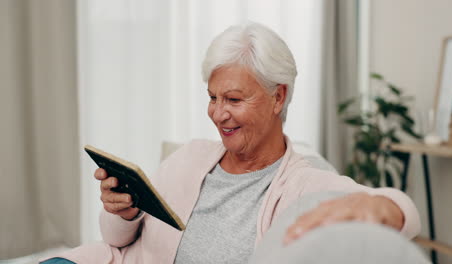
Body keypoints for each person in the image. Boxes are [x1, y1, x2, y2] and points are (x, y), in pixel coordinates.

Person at [40, 22, 426, 264]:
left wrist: (382, 206)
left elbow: (401, 212)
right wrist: (122, 213)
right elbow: (117, 241)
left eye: (234, 100)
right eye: (213, 97)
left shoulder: (302, 182)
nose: (218, 113)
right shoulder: (191, 156)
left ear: (278, 98)